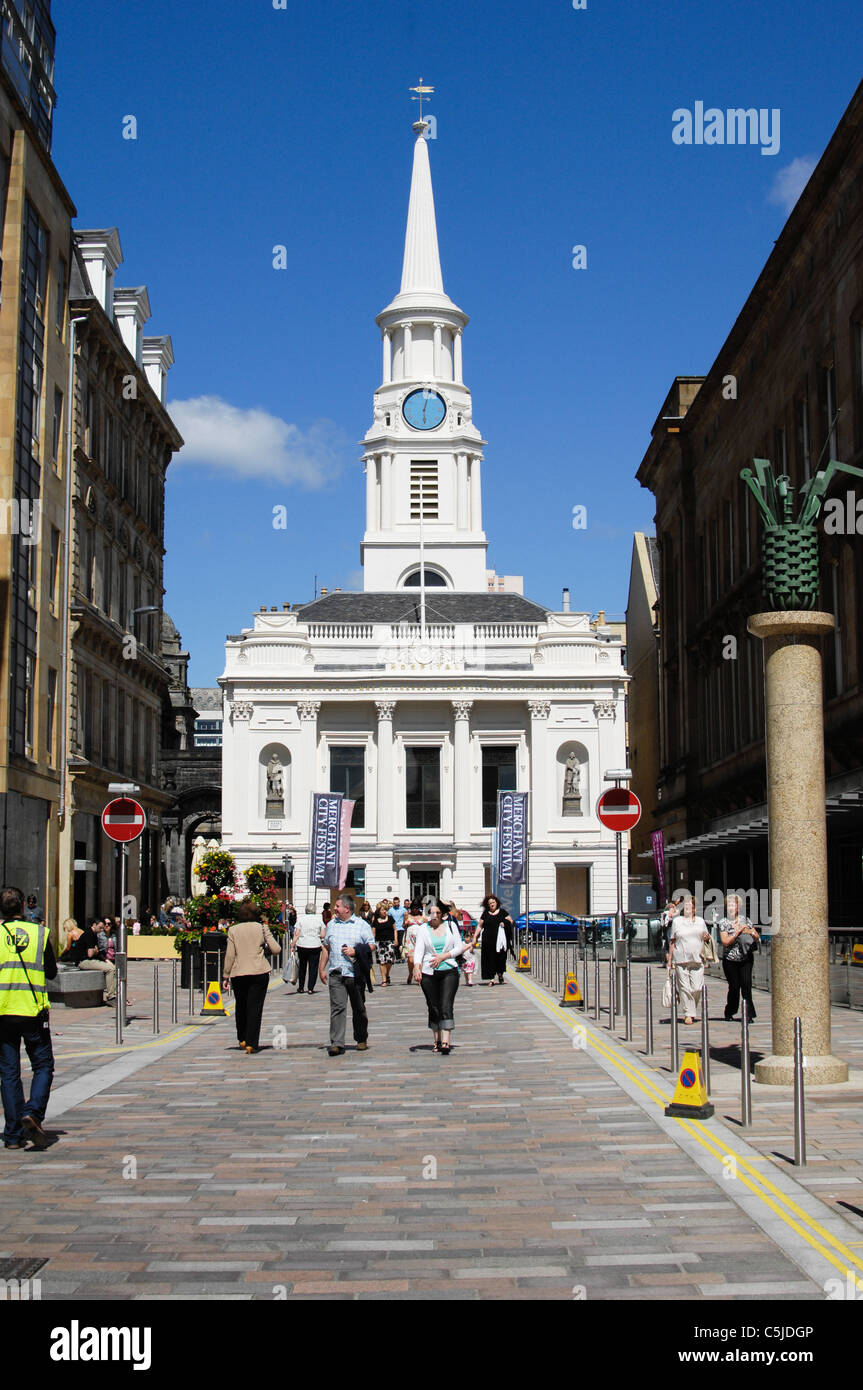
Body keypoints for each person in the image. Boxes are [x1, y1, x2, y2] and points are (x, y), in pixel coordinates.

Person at [0, 885, 57, 1149]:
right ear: (24, 906)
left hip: (3, 1011)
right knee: (43, 1065)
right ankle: (32, 1112)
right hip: (33, 1010)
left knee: (9, 1073)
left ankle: (12, 1136)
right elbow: (52, 972)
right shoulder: (40, 933)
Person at [319, 894, 375, 1055]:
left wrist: (355, 950)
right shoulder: (331, 925)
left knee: (358, 1008)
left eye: (337, 906)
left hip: (354, 973)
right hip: (336, 972)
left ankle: (361, 1038)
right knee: (337, 1008)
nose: (334, 909)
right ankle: (337, 1043)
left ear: (347, 908)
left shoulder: (361, 925)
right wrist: (322, 968)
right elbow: (326, 947)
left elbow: (372, 945)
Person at [223, 900, 281, 1054]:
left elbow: (230, 955)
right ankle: (252, 1043)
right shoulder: (262, 928)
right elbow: (276, 949)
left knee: (241, 1006)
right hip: (259, 972)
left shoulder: (233, 930)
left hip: (239, 973)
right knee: (255, 1007)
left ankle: (242, 1037)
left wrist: (225, 975)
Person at [412, 903, 468, 1054]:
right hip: (428, 971)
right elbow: (419, 950)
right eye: (431, 912)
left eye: (437, 912)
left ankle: (445, 1041)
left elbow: (459, 947)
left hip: (449, 969)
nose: (434, 915)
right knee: (433, 1006)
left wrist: (444, 956)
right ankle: (436, 1040)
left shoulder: (451, 926)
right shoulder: (423, 929)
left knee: (445, 1005)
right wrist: (417, 967)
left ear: (443, 914)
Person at [666, 896, 709, 1025]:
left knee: (696, 988)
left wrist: (707, 938)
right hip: (681, 959)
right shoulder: (677, 922)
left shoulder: (700, 921)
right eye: (686, 905)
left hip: (698, 959)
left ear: (694, 908)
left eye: (690, 905)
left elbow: (706, 938)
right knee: (685, 988)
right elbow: (672, 941)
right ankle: (688, 1014)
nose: (687, 907)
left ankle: (691, 1009)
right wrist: (670, 959)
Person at [719, 893, 760, 1022]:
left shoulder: (745, 920)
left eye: (734, 904)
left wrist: (749, 931)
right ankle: (730, 1011)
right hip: (730, 960)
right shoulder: (724, 922)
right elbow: (725, 941)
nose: (731, 907)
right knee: (734, 987)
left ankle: (749, 1014)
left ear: (738, 907)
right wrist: (736, 932)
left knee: (746, 985)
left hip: (746, 958)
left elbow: (756, 935)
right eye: (729, 905)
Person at [64, 918, 116, 1004]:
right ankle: (111, 997)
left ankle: (113, 994)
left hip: (87, 960)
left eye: (102, 928)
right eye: (100, 927)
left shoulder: (93, 934)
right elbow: (90, 954)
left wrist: (104, 958)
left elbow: (95, 951)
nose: (101, 930)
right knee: (110, 969)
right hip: (83, 961)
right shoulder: (89, 934)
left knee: (112, 967)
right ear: (94, 925)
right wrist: (95, 951)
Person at [478, 895, 512, 985]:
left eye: (493, 902)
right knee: (489, 959)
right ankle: (491, 978)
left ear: (497, 903)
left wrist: (504, 923)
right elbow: (480, 925)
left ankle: (500, 974)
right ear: (487, 905)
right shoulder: (485, 913)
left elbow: (511, 921)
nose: (492, 904)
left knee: (500, 959)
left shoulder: (503, 912)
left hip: (500, 942)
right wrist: (475, 938)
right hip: (488, 941)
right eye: (490, 903)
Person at [292, 902, 324, 994]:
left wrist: (293, 944)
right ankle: (310, 988)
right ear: (314, 910)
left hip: (302, 945)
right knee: (313, 967)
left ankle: (301, 987)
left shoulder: (301, 920)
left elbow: (296, 934)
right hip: (315, 945)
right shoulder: (319, 920)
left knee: (302, 966)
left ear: (306, 910)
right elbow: (322, 935)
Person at [372, 899, 397, 986]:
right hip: (379, 942)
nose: (384, 911)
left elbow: (395, 929)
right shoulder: (375, 920)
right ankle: (384, 979)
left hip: (389, 942)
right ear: (379, 911)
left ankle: (387, 974)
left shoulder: (390, 919)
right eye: (383, 910)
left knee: (389, 961)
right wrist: (372, 943)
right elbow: (373, 933)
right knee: (382, 961)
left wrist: (396, 940)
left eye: (385, 910)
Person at [402, 899, 424, 984]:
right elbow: (403, 926)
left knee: (419, 958)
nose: (415, 909)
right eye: (414, 908)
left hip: (419, 939)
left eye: (417, 908)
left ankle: (419, 975)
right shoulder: (407, 915)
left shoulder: (423, 916)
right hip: (409, 940)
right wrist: (405, 923)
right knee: (411, 960)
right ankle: (410, 973)